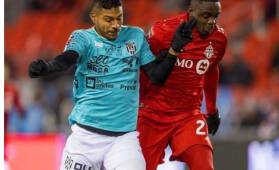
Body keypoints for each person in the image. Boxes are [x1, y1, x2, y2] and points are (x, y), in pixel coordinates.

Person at [28, 0, 196, 169]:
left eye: (119, 18)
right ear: (94, 18)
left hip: (123, 139)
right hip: (85, 138)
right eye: (109, 19)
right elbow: (67, 59)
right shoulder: (83, 38)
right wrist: (48, 67)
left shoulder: (135, 36)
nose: (115, 25)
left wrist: (174, 50)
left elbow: (156, 77)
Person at [138, 0, 227, 170]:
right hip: (152, 114)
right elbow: (143, 69)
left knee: (204, 166)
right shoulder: (163, 31)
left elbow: (211, 69)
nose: (211, 22)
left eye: (216, 16)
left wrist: (212, 110)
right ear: (191, 11)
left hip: (188, 116)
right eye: (206, 16)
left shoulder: (219, 39)